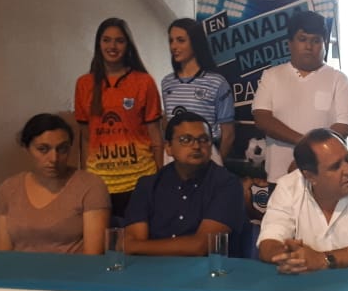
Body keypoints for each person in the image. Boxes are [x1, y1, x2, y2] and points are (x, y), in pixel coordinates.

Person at [257, 129, 348, 273]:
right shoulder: (288, 187)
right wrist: (290, 257)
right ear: (310, 176)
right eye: (335, 167)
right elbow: (268, 242)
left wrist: (322, 260)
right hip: (305, 284)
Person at [252, 10, 348, 179]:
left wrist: (309, 154)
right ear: (290, 43)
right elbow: (262, 118)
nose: (309, 47)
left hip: (326, 177)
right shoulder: (271, 76)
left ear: (324, 43)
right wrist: (306, 145)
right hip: (279, 176)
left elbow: (344, 125)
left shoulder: (339, 79)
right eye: (302, 39)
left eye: (316, 41)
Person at [74, 17, 164, 219]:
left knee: (138, 237)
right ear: (98, 44)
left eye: (119, 41)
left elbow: (156, 136)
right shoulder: (84, 84)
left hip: (140, 180)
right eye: (106, 40)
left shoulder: (144, 82)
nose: (112, 46)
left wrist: (159, 179)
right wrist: (85, 177)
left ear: (128, 45)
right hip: (99, 183)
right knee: (101, 237)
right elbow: (86, 137)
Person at [122, 112, 247, 256]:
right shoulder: (148, 185)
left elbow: (202, 246)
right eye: (186, 140)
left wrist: (140, 247)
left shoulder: (227, 184)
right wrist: (136, 246)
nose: (196, 146)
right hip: (153, 267)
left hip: (207, 268)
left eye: (204, 140)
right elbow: (132, 243)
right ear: (168, 147)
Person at [0, 113, 110, 254]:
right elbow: (2, 253)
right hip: (20, 267)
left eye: (62, 149)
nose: (54, 158)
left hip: (72, 268)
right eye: (43, 149)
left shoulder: (90, 185)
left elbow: (93, 255)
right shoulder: (9, 188)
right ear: (27, 148)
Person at [160, 17, 235, 165]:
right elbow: (167, 122)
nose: (174, 46)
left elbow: (228, 133)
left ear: (195, 42)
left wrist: (216, 164)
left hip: (205, 153)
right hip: (174, 156)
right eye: (171, 41)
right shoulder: (167, 82)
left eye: (180, 40)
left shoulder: (217, 82)